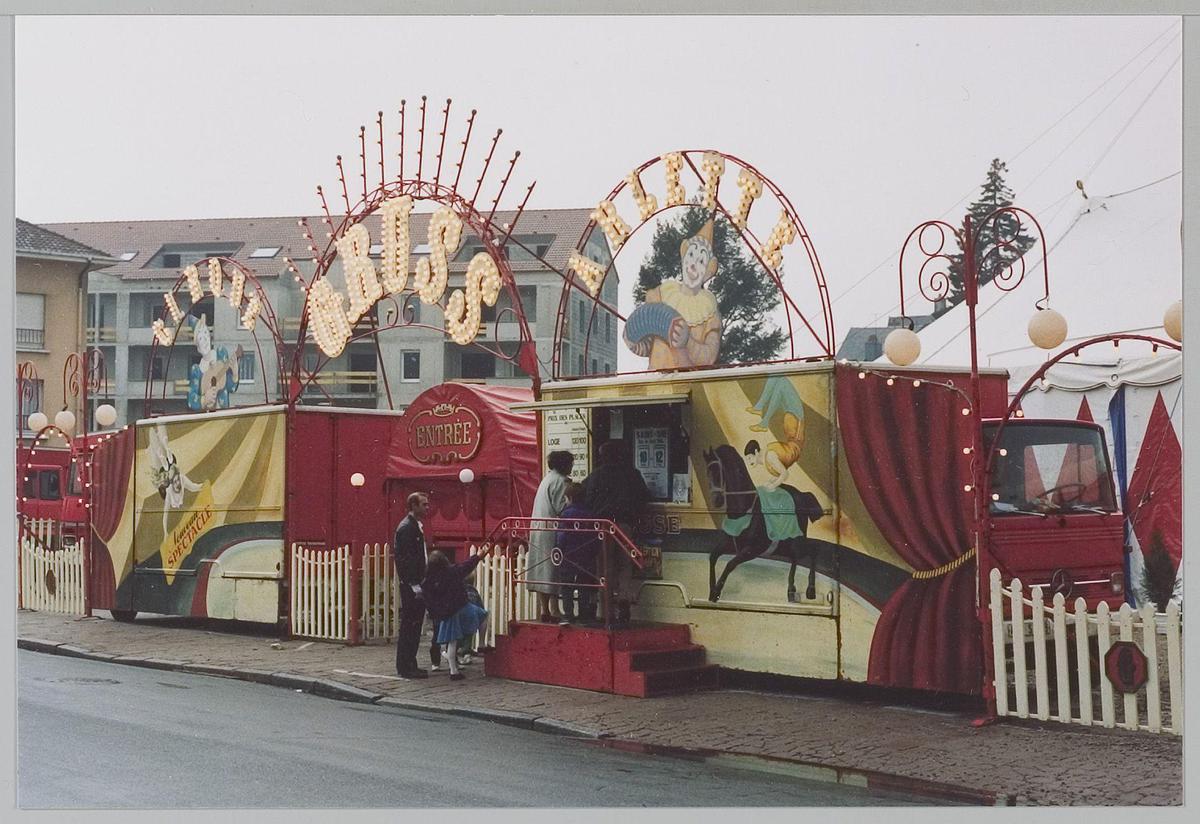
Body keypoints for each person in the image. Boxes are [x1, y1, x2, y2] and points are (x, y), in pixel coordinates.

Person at [582, 441, 649, 625]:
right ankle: (624, 600)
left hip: (603, 526)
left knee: (604, 566)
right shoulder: (632, 474)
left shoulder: (595, 476)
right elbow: (644, 496)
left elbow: (586, 498)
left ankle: (606, 611)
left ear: (603, 456)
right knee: (625, 565)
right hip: (624, 525)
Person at [420, 550, 488, 681]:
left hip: (447, 613)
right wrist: (478, 557)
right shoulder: (452, 572)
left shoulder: (428, 581)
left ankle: (453, 671)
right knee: (483, 616)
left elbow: (428, 599)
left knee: (452, 641)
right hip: (462, 606)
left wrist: (436, 613)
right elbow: (466, 566)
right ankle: (481, 644)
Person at [528, 450, 574, 622]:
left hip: (538, 527)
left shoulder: (546, 479)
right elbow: (562, 508)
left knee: (542, 568)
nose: (571, 467)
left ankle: (544, 609)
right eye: (570, 463)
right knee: (554, 567)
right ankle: (555, 609)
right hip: (552, 529)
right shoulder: (562, 481)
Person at [393, 491, 431, 679]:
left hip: (415, 583)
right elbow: (406, 561)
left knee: (413, 626)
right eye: (424, 504)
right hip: (412, 585)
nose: (427, 507)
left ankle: (409, 663)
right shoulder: (408, 528)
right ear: (413, 506)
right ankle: (406, 666)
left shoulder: (413, 526)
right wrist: (415, 584)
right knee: (411, 626)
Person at [556, 481, 602, 623]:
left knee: (566, 585)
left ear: (569, 498)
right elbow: (595, 538)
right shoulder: (590, 515)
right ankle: (583, 613)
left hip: (568, 556)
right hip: (586, 556)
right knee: (584, 585)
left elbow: (561, 537)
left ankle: (568, 613)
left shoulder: (565, 515)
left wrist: (559, 549)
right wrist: (593, 552)